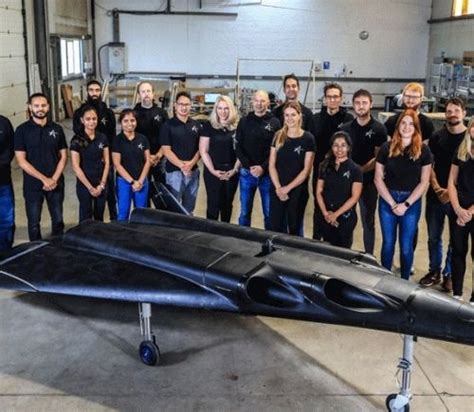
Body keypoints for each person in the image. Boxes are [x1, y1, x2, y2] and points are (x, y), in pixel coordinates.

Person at [374, 109, 432, 280]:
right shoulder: (387, 148)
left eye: (410, 124)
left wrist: (405, 205)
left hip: (411, 203)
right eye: (403, 123)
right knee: (388, 244)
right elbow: (378, 179)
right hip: (387, 201)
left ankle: (405, 282)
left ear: (416, 128)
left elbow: (424, 181)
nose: (406, 127)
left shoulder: (424, 151)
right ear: (398, 125)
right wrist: (392, 204)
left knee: (406, 247)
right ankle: (384, 281)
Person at [419, 97, 467, 292]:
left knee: (455, 240)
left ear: (464, 113)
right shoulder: (437, 138)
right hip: (435, 196)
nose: (452, 114)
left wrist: (451, 192)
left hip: (459, 199)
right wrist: (438, 188)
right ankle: (434, 271)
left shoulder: (469, 140)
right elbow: (429, 165)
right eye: (449, 111)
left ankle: (449, 274)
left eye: (456, 110)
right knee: (433, 237)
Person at [14, 93, 68, 241]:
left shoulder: (57, 129)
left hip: (56, 184)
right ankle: (35, 253)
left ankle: (58, 251)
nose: (40, 109)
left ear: (48, 107)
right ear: (30, 107)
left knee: (57, 221)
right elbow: (21, 161)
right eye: (36, 106)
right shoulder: (21, 131)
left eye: (43, 105)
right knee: (33, 224)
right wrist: (44, 179)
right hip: (33, 185)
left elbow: (63, 156)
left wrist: (54, 179)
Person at [341, 89, 387, 254]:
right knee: (346, 219)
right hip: (347, 182)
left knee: (368, 221)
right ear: (353, 105)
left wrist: (359, 171)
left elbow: (378, 158)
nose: (361, 106)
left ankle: (369, 256)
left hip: (368, 183)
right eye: (358, 103)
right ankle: (344, 254)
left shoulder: (379, 129)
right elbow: (341, 155)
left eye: (364, 103)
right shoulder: (345, 129)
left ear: (371, 104)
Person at [312, 83, 354, 239]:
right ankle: (317, 241)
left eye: (336, 96)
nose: (332, 99)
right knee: (319, 206)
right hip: (320, 171)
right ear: (324, 99)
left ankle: (338, 242)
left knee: (340, 206)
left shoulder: (348, 120)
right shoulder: (315, 119)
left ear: (341, 98)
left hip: (341, 172)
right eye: (329, 96)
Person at [235, 90, 281, 229]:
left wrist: (263, 167)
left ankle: (268, 239)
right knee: (244, 212)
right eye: (256, 100)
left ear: (268, 102)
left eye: (262, 101)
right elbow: (238, 146)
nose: (259, 104)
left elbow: (277, 149)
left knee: (269, 212)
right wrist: (249, 167)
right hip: (246, 174)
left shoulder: (275, 123)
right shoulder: (243, 122)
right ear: (252, 102)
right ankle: (243, 238)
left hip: (267, 175)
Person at [73, 79, 117, 220]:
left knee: (108, 194)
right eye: (91, 90)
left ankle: (114, 220)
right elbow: (78, 134)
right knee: (85, 206)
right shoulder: (78, 113)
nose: (94, 93)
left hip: (105, 158)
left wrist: (109, 159)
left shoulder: (108, 113)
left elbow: (112, 136)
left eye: (97, 90)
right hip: (87, 161)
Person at [269, 101, 314, 235]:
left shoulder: (308, 139)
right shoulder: (278, 136)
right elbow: (272, 165)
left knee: (294, 227)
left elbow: (306, 170)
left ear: (300, 116)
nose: (290, 118)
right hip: (278, 188)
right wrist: (278, 188)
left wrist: (287, 189)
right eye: (287, 115)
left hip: (297, 190)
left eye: (293, 115)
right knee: (276, 226)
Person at [315, 131, 362, 248]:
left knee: (343, 251)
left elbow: (355, 197)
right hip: (326, 216)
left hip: (345, 218)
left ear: (349, 147)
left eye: (343, 145)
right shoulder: (324, 166)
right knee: (326, 249)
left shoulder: (355, 169)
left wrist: (335, 215)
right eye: (336, 145)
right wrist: (326, 214)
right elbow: (319, 191)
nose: (339, 149)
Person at [199, 95, 240, 222]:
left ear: (231, 109)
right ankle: (211, 235)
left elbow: (241, 151)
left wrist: (235, 169)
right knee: (213, 205)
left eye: (226, 108)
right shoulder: (208, 126)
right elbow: (203, 151)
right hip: (213, 171)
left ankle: (225, 234)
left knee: (227, 205)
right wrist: (213, 171)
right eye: (220, 108)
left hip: (231, 172)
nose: (223, 111)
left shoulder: (237, 127)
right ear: (215, 109)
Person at [160, 91, 202, 214]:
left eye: (187, 104)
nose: (184, 107)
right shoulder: (167, 125)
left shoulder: (196, 125)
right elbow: (166, 151)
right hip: (174, 173)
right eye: (181, 104)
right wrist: (182, 166)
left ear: (191, 106)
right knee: (174, 209)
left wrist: (191, 164)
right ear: (175, 105)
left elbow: (201, 149)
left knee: (189, 208)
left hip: (193, 172)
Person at [447, 118, 474, 302]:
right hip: (458, 210)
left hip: (471, 211)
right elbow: (451, 182)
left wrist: (470, 212)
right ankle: (457, 295)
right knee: (458, 252)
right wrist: (457, 208)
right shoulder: (461, 151)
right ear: (470, 129)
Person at [70, 106, 110, 223]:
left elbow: (107, 162)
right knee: (85, 217)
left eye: (94, 119)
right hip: (84, 184)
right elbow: (76, 166)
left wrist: (102, 184)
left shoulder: (102, 138)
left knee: (99, 216)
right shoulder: (77, 140)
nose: (91, 122)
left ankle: (97, 239)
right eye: (88, 119)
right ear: (82, 120)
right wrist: (90, 188)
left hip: (100, 183)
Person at [112, 109, 151, 221]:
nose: (129, 124)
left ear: (136, 122)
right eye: (126, 121)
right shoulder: (117, 140)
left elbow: (147, 161)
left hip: (141, 181)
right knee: (123, 214)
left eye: (132, 120)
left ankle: (139, 237)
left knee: (141, 214)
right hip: (124, 182)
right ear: (121, 123)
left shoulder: (143, 139)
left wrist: (140, 181)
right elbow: (117, 164)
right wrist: (132, 182)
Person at [134, 81, 169, 188]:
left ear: (153, 93)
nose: (146, 94)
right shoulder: (134, 113)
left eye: (148, 91)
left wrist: (158, 155)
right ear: (139, 95)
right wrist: (147, 157)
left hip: (160, 158)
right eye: (143, 91)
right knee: (143, 190)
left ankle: (162, 206)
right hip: (142, 159)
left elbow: (167, 137)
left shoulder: (162, 113)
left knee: (163, 190)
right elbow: (132, 138)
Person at [0, 114, 15, 250]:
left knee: (6, 221)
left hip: (3, 181)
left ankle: (5, 253)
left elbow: (10, 149)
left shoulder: (4, 123)